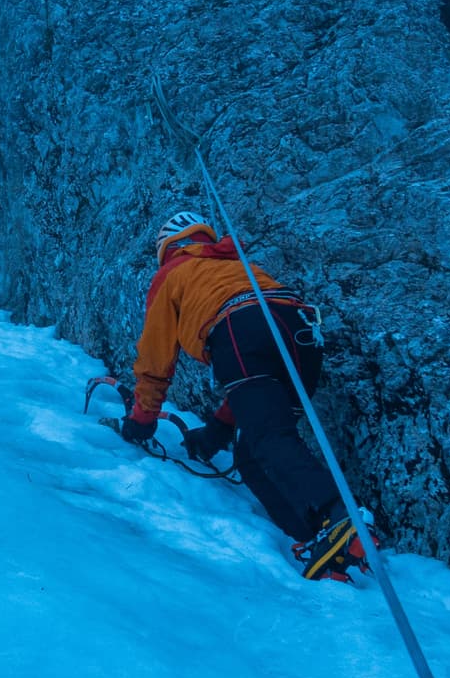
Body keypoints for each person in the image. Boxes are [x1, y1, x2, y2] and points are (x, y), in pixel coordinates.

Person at [119, 210, 370, 581]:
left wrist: (141, 421)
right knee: (253, 453)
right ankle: (320, 536)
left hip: (239, 325)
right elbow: (256, 386)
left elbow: (156, 357)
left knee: (270, 438)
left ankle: (339, 517)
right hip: (299, 328)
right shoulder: (238, 265)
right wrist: (218, 429)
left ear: (168, 248)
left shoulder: (172, 272)